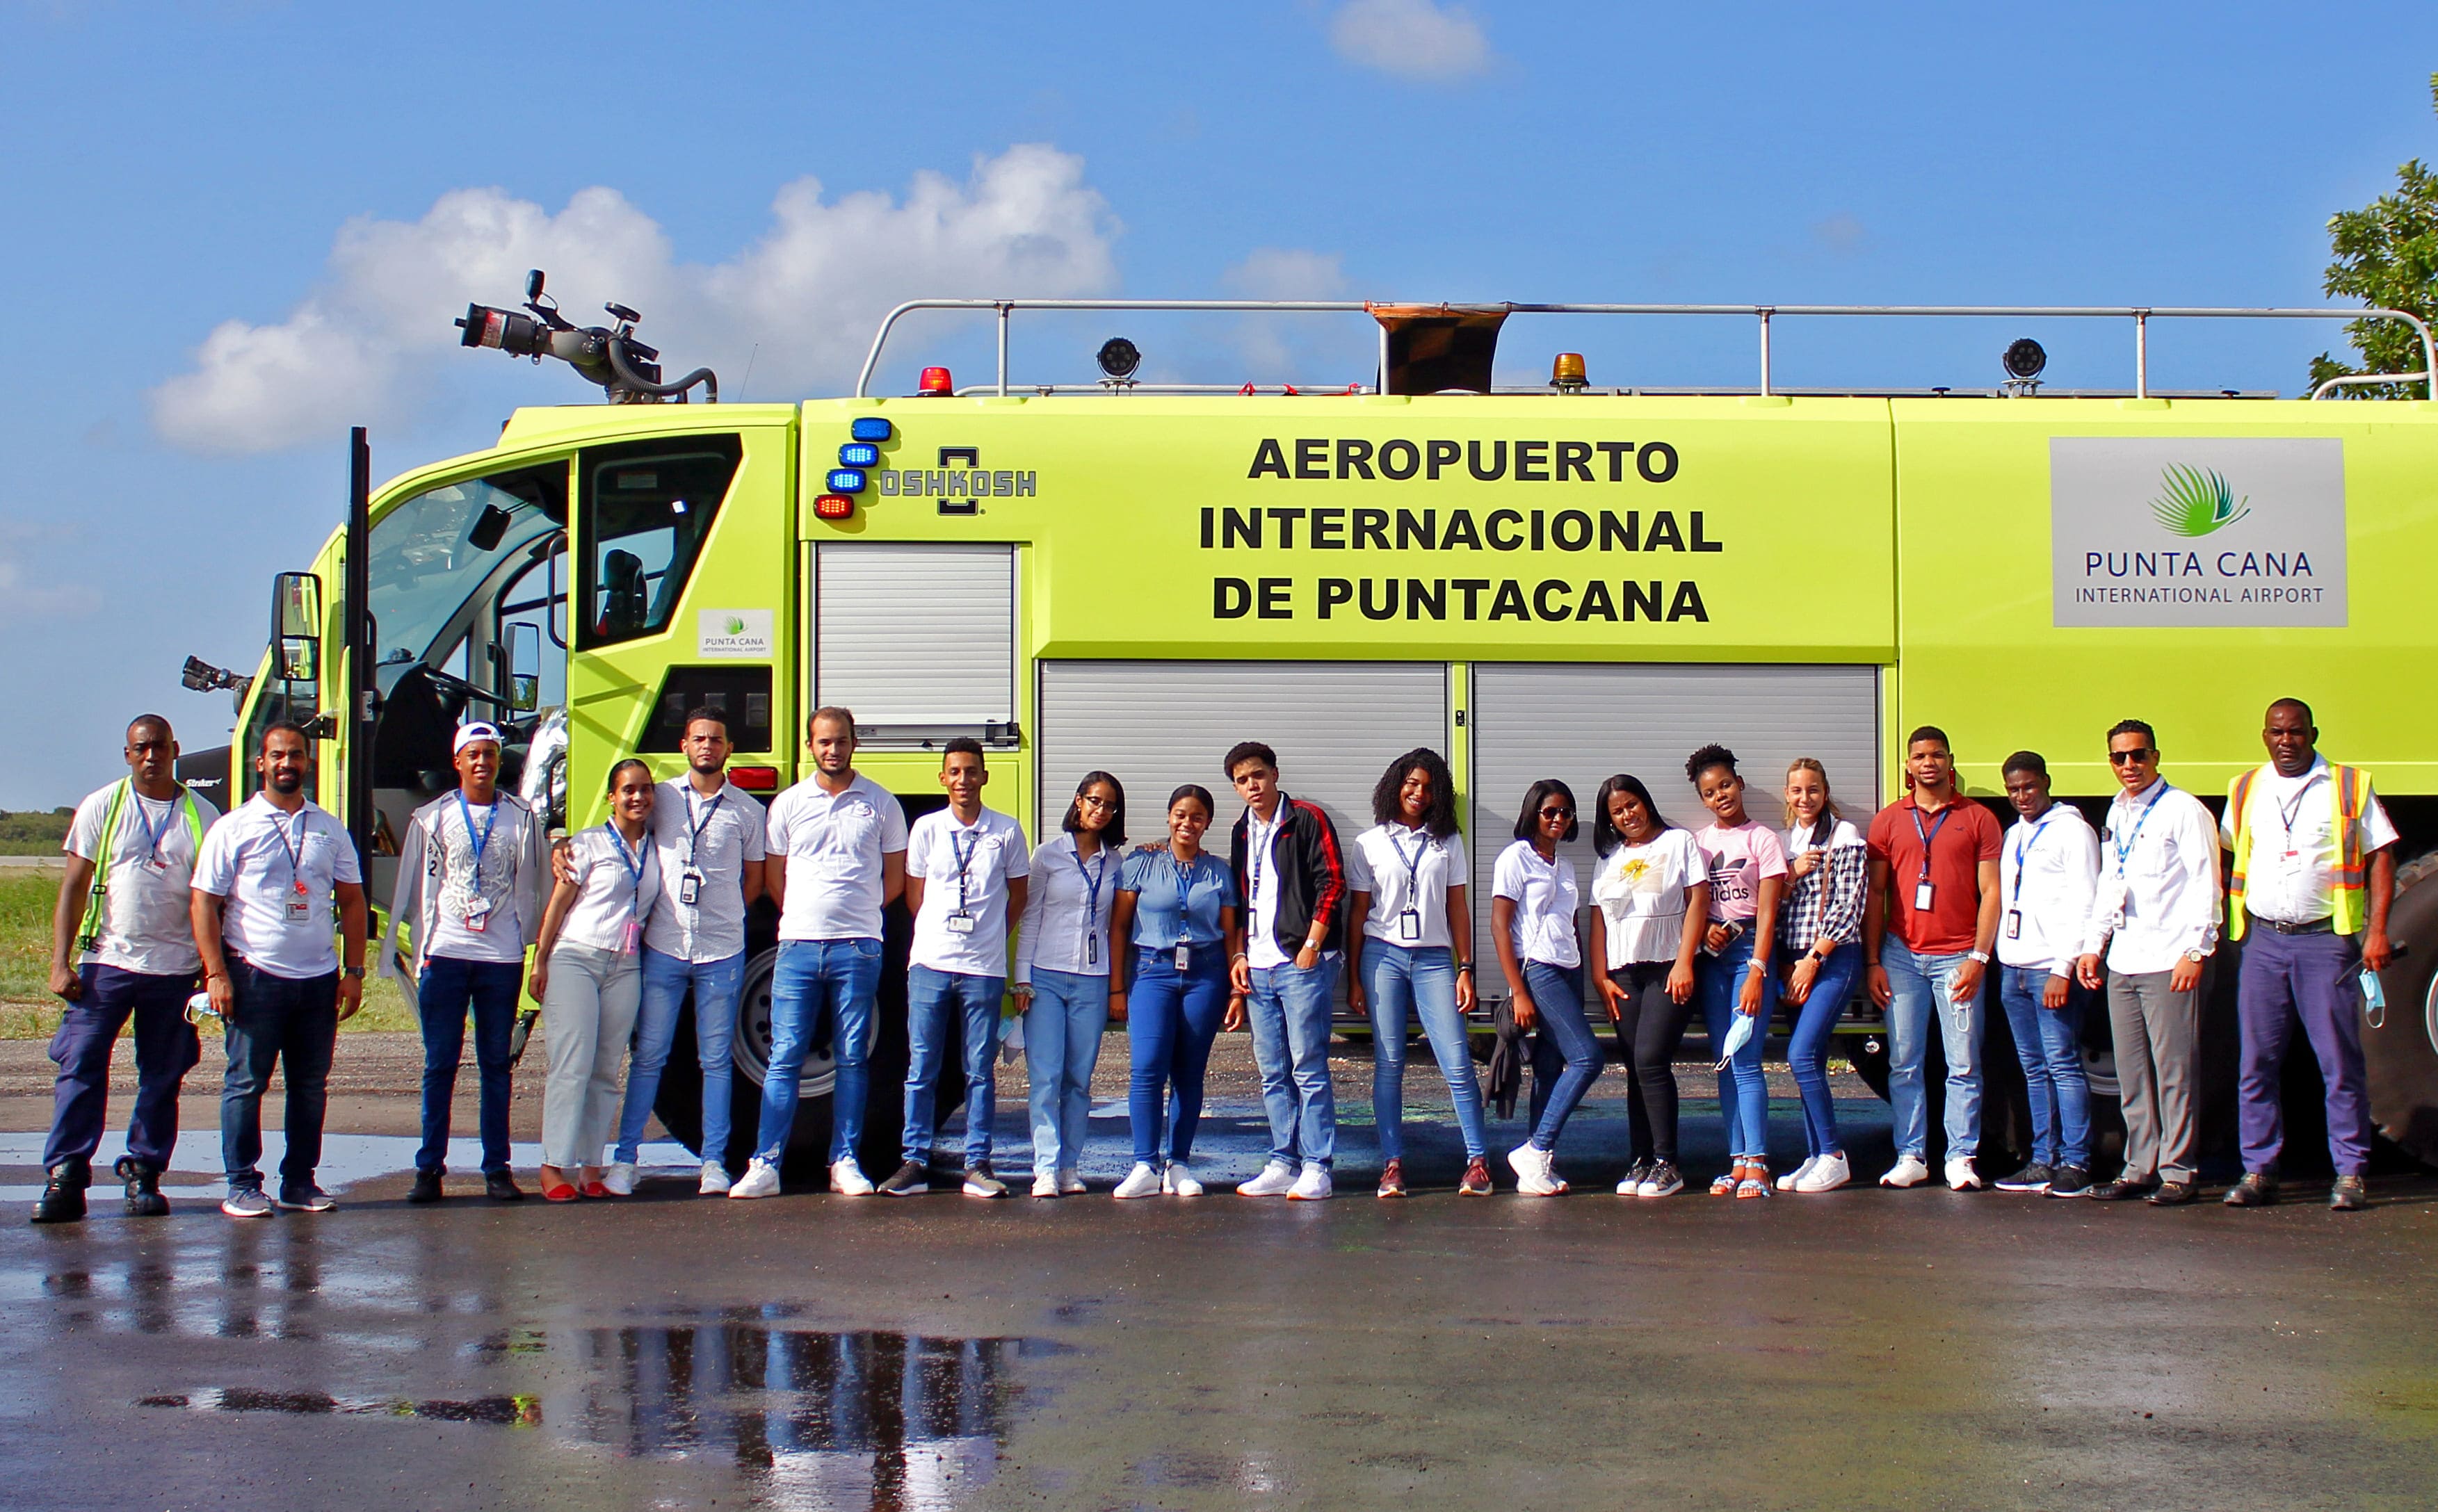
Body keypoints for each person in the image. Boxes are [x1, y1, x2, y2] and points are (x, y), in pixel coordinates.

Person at [32, 715, 218, 1224]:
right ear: (128, 754)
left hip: (175, 968)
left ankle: (144, 1172)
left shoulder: (202, 814)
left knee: (163, 1075)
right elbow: (73, 886)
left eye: (159, 746)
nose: (151, 755)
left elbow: (212, 900)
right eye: (141, 748)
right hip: (105, 963)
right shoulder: (103, 805)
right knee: (80, 1068)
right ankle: (66, 1174)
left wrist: (212, 968)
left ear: (176, 748)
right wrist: (59, 961)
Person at [2220, 698, 2396, 1213]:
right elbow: (2231, 853)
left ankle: (2350, 1171)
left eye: (2296, 732)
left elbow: (2380, 856)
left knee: (2339, 1062)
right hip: (2264, 942)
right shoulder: (2247, 787)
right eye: (2277, 732)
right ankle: (2258, 1168)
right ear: (2264, 735)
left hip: (2325, 943)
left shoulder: (2345, 785)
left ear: (2313, 733)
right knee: (2256, 1061)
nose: (2286, 741)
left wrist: (2377, 931)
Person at [189, 721, 367, 1218]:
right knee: (247, 1082)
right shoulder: (234, 827)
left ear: (308, 762)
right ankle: (242, 1183)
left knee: (310, 1085)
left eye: (296, 755)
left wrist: (354, 969)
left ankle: (299, 1181)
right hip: (254, 975)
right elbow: (204, 903)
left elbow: (352, 902)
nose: (287, 764)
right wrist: (216, 973)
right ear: (259, 763)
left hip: (317, 980)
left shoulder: (328, 827)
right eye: (277, 755)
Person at [599, 709, 767, 1198]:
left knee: (716, 1059)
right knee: (649, 1055)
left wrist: (727, 912)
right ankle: (625, 1160)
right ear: (684, 746)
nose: (707, 746)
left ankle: (714, 1163)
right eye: (699, 738)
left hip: (721, 950)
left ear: (729, 748)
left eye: (716, 739)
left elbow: (754, 879)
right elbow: (619, 829)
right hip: (665, 947)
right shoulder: (664, 798)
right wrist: (563, 843)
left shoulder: (747, 811)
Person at [379, 722, 548, 1203]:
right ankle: (429, 1168)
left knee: (496, 1063)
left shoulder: (521, 816)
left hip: (500, 955)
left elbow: (534, 883)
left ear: (499, 761)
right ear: (457, 761)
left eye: (490, 755)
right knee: (440, 1063)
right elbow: (414, 890)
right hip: (447, 952)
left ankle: (497, 1167)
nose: (482, 763)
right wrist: (412, 948)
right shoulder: (431, 818)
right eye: (473, 755)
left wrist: (534, 946)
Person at [755, 707, 905, 1198]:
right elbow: (776, 876)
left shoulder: (881, 804)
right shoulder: (788, 804)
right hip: (797, 945)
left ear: (854, 743)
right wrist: (806, 915)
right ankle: (766, 1163)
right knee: (785, 1055)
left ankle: (844, 1161)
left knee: (852, 1058)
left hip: (859, 948)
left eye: (841, 741)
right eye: (824, 742)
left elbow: (895, 877)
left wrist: (856, 915)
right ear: (810, 746)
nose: (833, 750)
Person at [2074, 720, 2220, 1205]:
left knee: (2174, 1069)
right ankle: (2140, 1166)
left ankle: (2179, 1169)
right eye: (2119, 757)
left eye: (2138, 755)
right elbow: (2109, 884)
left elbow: (2206, 884)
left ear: (2156, 755)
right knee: (2133, 1072)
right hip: (2125, 959)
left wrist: (2195, 950)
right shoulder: (2118, 811)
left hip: (2168, 959)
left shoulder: (2184, 810)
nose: (2129, 766)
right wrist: (2094, 944)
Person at [886, 738, 1028, 1198]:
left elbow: (1018, 896)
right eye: (955, 771)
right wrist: (939, 935)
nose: (963, 779)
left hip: (983, 968)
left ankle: (978, 1164)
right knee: (922, 1066)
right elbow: (915, 894)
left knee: (979, 1070)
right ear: (942, 778)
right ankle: (913, 1161)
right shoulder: (926, 828)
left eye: (972, 770)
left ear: (985, 776)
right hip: (929, 962)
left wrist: (988, 936)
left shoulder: (1006, 831)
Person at [1345, 748, 1490, 1198]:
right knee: (1389, 1064)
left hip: (1432, 959)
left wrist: (1465, 968)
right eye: (1411, 783)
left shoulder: (1448, 841)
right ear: (1395, 785)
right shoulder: (1369, 843)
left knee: (1457, 1062)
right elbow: (1358, 913)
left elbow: (1457, 908)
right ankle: (1392, 1165)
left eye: (1427, 786)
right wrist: (1353, 978)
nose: (1418, 792)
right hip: (1382, 956)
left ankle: (1478, 1161)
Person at [1864, 726, 2003, 1192]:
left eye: (1937, 755)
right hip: (1901, 956)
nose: (1929, 763)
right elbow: (1876, 894)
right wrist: (1872, 961)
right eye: (1920, 755)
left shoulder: (1979, 818)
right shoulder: (1888, 821)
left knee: (1963, 1063)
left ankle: (1961, 1155)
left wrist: (1979, 958)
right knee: (1904, 1060)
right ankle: (1911, 1154)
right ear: (1908, 765)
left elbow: (1992, 893)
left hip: (1958, 956)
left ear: (1950, 760)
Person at [528, 759, 661, 1201]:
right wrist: (540, 960)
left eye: (645, 789)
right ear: (612, 797)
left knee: (606, 1069)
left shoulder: (656, 847)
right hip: (575, 960)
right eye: (628, 790)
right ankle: (554, 1165)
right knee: (573, 1064)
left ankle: (590, 1165)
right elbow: (558, 907)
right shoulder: (586, 845)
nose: (637, 798)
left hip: (625, 966)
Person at [1225, 742, 1349, 1202]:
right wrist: (1239, 957)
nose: (1252, 786)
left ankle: (1318, 1165)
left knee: (1308, 1066)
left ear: (1275, 774)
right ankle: (1283, 1159)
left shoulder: (1307, 818)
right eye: (1241, 780)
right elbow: (1238, 899)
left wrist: (1313, 945)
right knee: (1272, 1071)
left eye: (1257, 775)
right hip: (1258, 967)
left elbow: (1332, 881)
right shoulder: (1242, 831)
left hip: (1301, 962)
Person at [1108, 785, 1241, 1198]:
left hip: (1206, 973)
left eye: (1197, 816)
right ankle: (1144, 1164)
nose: (1188, 823)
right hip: (1153, 970)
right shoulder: (1140, 864)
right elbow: (1119, 927)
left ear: (1208, 823)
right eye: (1181, 815)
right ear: (1169, 817)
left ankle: (1178, 1164)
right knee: (1147, 1067)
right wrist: (1117, 986)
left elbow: (1231, 932)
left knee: (1189, 1072)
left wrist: (1236, 991)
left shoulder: (1218, 871)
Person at [1586, 773, 1709, 1200]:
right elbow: (1598, 918)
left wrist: (1684, 962)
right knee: (1636, 1070)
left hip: (1666, 969)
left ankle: (1667, 1163)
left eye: (1632, 804)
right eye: (1617, 811)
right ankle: (1641, 1160)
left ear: (1646, 802)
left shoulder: (1678, 844)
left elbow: (1699, 901)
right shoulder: (1611, 858)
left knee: (1652, 1059)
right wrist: (1600, 976)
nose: (1627, 815)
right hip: (1624, 974)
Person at [1012, 772, 1126, 1198]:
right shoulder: (1048, 855)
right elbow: (1031, 915)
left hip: (1092, 981)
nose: (1100, 810)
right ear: (1078, 802)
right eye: (1094, 801)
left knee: (1079, 1079)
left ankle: (1069, 1166)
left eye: (1109, 805)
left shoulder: (1116, 862)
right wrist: (1022, 978)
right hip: (1045, 976)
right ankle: (1044, 1167)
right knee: (1045, 1076)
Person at [1992, 751, 2101, 1198]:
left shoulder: (2073, 831)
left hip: (2050, 970)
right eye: (2014, 790)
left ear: (2046, 783)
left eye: (2029, 787)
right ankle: (2043, 1159)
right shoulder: (2015, 833)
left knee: (2062, 1065)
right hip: (2014, 967)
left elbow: (2086, 901)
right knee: (2034, 1068)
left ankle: (2076, 1162)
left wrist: (2064, 968)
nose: (2022, 796)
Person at [1685, 746, 1788, 1198]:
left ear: (1740, 784)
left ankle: (1758, 1163)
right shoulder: (1700, 841)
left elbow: (1768, 913)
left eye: (1725, 784)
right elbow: (1693, 904)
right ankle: (1735, 1162)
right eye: (1710, 791)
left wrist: (1758, 970)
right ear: (1703, 799)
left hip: (1750, 951)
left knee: (1745, 1058)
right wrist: (1706, 930)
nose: (1720, 795)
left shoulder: (1762, 839)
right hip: (1712, 958)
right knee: (1724, 1062)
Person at [1494, 779, 1594, 1196]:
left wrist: (1584, 976)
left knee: (1550, 1069)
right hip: (1538, 970)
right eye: (1550, 811)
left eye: (1566, 813)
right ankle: (1534, 1149)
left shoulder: (1564, 865)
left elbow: (1571, 925)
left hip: (1568, 969)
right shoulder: (1516, 858)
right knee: (1588, 1058)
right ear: (1533, 812)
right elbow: (1500, 926)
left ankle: (1537, 1167)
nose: (1558, 819)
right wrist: (1517, 989)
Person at [1776, 758, 1868, 1194]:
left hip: (1832, 958)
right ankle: (1815, 1155)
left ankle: (1833, 1155)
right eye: (1796, 791)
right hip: (1792, 960)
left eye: (1813, 790)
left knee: (1800, 1054)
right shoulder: (1782, 841)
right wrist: (1791, 876)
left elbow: (1849, 906)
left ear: (1825, 792)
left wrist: (1813, 960)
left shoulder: (1843, 835)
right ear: (1788, 795)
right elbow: (1771, 906)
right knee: (1808, 1060)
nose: (1805, 798)